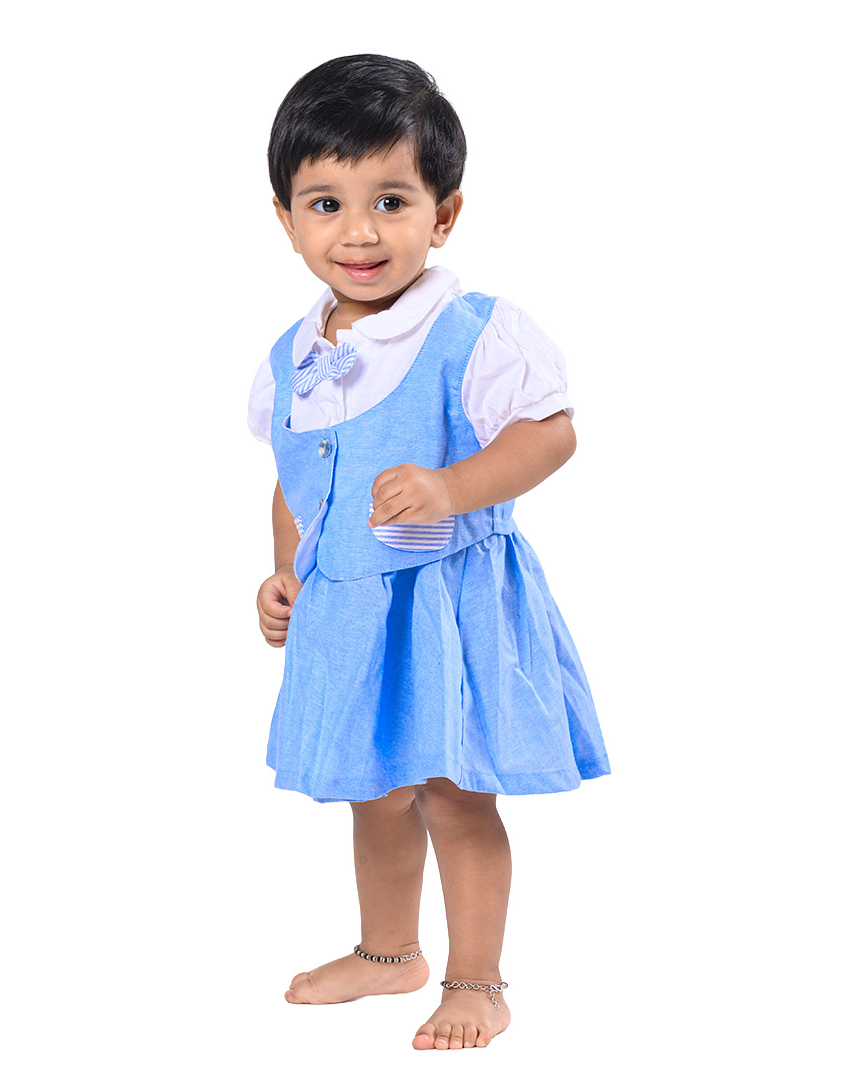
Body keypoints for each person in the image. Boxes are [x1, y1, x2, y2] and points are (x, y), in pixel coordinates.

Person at [248, 54, 610, 1051]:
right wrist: (286, 571)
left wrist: (455, 486)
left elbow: (550, 434)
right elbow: (297, 477)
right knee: (374, 789)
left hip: (446, 604)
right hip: (354, 611)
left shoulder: (470, 334)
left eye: (391, 201)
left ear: (442, 215)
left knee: (454, 794)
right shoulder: (296, 357)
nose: (359, 232)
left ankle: (479, 981)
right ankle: (387, 953)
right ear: (286, 219)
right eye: (326, 203)